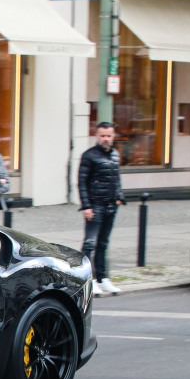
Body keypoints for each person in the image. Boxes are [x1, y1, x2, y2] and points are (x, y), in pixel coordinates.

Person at [78, 122, 126, 296]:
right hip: (95, 205)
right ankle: (88, 279)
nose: (106, 139)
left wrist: (120, 196)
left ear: (113, 136)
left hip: (111, 205)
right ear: (97, 136)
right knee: (89, 243)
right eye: (103, 135)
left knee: (103, 243)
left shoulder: (114, 155)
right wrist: (86, 205)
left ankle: (102, 278)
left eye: (109, 136)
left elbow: (117, 178)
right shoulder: (89, 156)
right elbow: (82, 182)